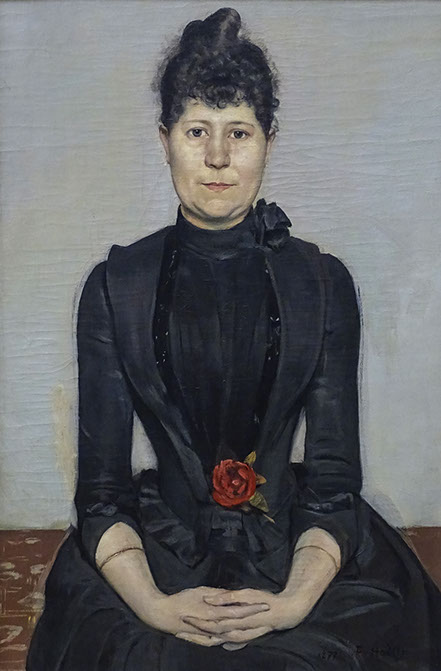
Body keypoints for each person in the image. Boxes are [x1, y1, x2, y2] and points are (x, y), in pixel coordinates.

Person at [27, 7, 441, 671]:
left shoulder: (321, 282)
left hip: (297, 552)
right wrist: (155, 605)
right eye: (197, 131)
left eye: (238, 133)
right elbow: (101, 492)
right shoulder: (116, 285)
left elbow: (333, 481)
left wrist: (293, 601)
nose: (217, 157)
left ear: (268, 141)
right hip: (159, 555)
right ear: (164, 139)